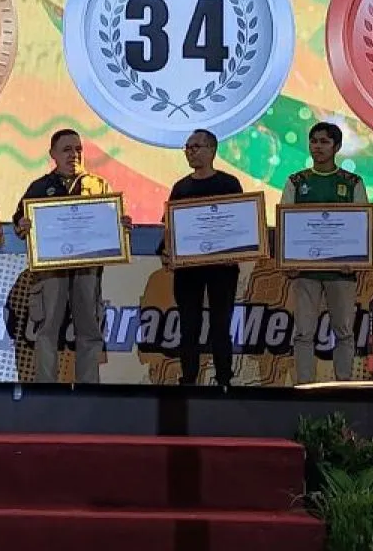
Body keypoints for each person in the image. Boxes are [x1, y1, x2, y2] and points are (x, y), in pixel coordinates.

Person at [13, 128, 130, 384]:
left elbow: (111, 223)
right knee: (47, 329)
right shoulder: (40, 187)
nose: (74, 154)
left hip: (88, 268)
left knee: (89, 328)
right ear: (53, 154)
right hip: (50, 269)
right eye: (66, 149)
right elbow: (19, 221)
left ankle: (89, 389)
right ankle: (46, 388)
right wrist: (22, 225)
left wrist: (120, 225)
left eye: (78, 149)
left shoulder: (98, 186)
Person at [281, 122, 368, 384]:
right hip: (305, 270)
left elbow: (360, 225)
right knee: (303, 333)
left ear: (337, 147)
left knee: (344, 332)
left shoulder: (352, 182)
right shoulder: (296, 181)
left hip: (341, 271)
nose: (317, 147)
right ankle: (305, 386)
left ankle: (343, 385)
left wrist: (354, 260)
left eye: (324, 142)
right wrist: (288, 262)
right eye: (313, 141)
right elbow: (286, 225)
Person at [159, 129, 242, 388]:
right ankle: (189, 380)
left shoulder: (229, 184)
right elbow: (170, 227)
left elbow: (241, 224)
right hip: (188, 269)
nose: (190, 152)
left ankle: (224, 380)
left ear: (212, 150)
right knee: (189, 325)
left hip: (222, 268)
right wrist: (166, 252)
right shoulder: (181, 187)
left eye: (196, 146)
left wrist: (236, 252)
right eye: (187, 147)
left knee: (220, 325)